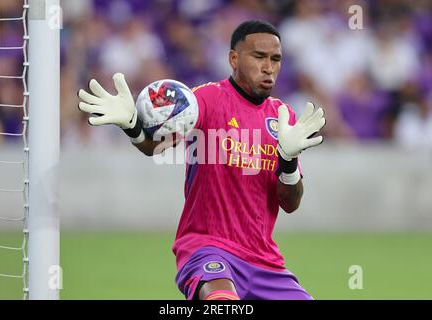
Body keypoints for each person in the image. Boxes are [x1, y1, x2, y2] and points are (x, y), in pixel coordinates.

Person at [77, 20, 325, 300]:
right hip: (208, 249)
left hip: (264, 263)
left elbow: (290, 203)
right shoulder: (206, 99)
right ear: (234, 58)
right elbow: (155, 147)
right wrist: (133, 127)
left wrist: (288, 160)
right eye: (259, 56)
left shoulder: (283, 117)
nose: (269, 67)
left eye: (275, 59)